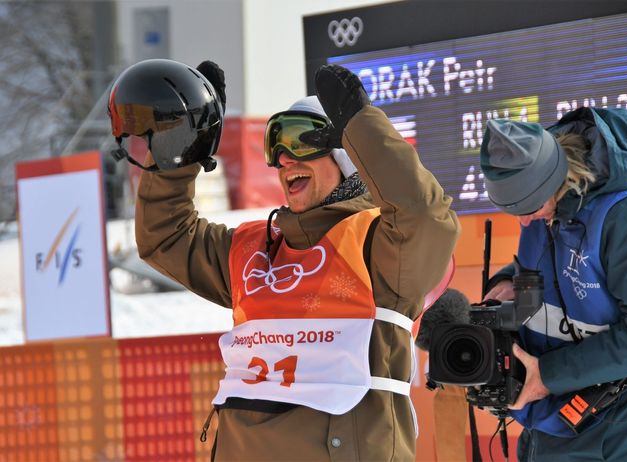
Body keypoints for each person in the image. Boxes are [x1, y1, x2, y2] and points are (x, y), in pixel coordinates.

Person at [131, 62, 460, 461]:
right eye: (275, 144)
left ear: (346, 158)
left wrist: (361, 125)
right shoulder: (252, 250)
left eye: (301, 140)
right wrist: (182, 145)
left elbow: (427, 217)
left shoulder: (382, 247)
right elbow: (165, 236)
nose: (284, 159)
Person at [479, 108, 627, 460]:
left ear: (557, 179)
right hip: (553, 424)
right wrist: (509, 280)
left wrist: (550, 375)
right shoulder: (545, 208)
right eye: (514, 211)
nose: (525, 220)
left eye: (531, 207)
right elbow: (552, 266)